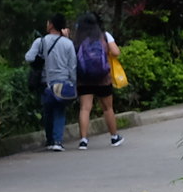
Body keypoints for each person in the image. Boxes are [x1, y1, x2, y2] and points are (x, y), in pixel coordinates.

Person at [70, 12, 123, 149]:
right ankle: (114, 137)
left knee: (85, 108)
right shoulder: (104, 36)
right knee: (108, 108)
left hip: (84, 78)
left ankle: (83, 140)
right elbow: (116, 52)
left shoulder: (77, 39)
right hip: (102, 77)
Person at [24, 15, 76, 151]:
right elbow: (72, 66)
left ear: (51, 25)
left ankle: (49, 140)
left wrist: (40, 58)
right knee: (59, 110)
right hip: (63, 82)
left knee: (47, 111)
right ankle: (58, 141)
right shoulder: (68, 43)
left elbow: (28, 57)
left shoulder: (40, 41)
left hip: (46, 83)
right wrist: (73, 82)